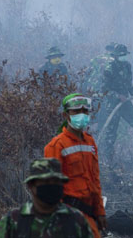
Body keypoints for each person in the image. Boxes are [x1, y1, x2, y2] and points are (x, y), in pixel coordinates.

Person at [44, 94, 106, 238]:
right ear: (66, 115)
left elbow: (95, 181)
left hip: (88, 214)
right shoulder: (56, 145)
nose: (82, 115)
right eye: (76, 111)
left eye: (85, 111)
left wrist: (100, 212)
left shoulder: (90, 143)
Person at [0, 158, 93, 238]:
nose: (51, 186)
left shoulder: (76, 220)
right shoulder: (12, 221)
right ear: (31, 186)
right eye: (46, 182)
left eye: (56, 181)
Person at [97, 43, 133, 161]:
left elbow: (128, 85)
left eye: (124, 55)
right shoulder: (109, 68)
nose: (123, 57)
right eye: (121, 55)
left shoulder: (127, 66)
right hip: (113, 105)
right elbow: (104, 90)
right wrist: (117, 96)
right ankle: (108, 160)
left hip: (126, 103)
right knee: (111, 134)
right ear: (116, 56)